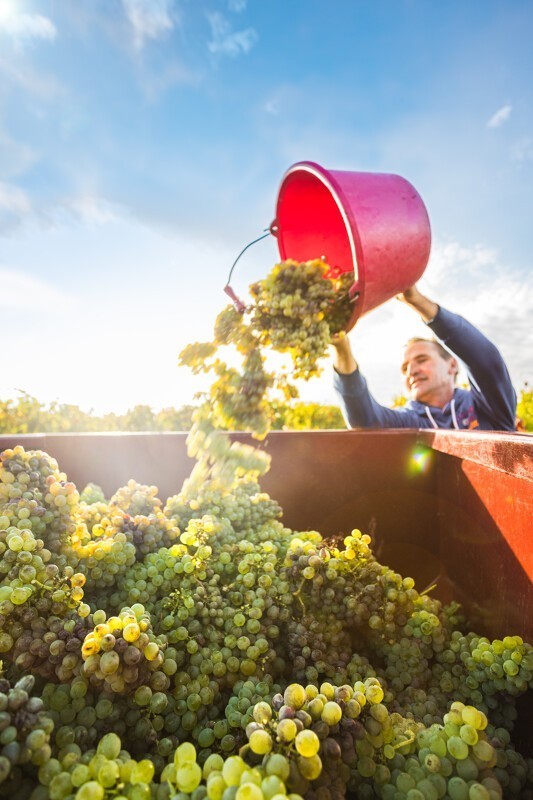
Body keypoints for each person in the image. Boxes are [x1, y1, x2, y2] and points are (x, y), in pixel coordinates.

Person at [331, 285, 517, 431]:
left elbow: (486, 362)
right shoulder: (408, 421)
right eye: (405, 368)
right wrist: (342, 349)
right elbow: (364, 420)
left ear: (452, 365)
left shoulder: (487, 407)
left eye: (422, 360)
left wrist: (418, 301)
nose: (412, 371)